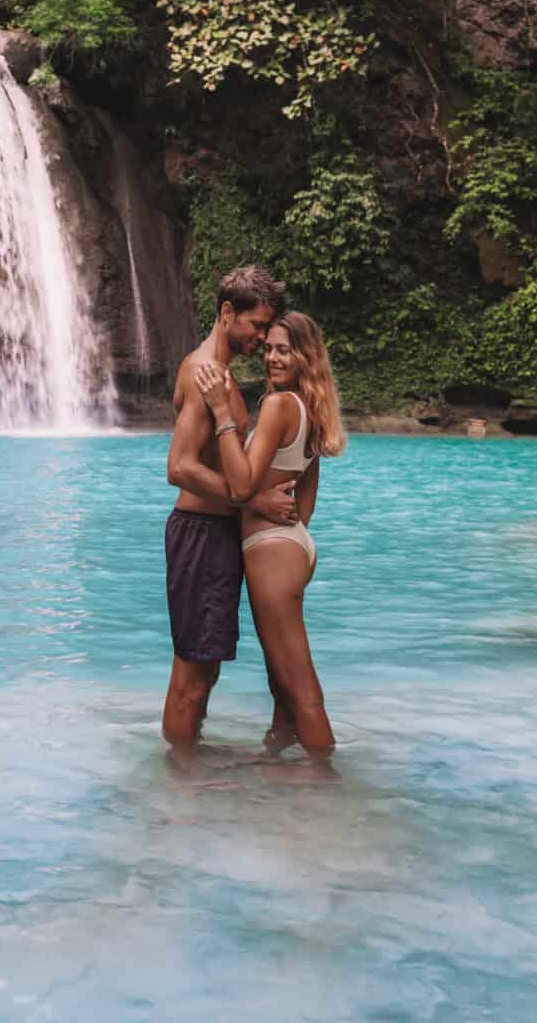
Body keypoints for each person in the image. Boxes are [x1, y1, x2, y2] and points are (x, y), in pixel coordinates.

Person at [194, 311, 346, 774]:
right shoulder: (312, 409)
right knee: (283, 680)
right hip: (293, 546)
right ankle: (279, 752)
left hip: (270, 553)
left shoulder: (280, 406)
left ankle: (326, 781)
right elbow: (307, 504)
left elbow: (240, 485)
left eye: (284, 349)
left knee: (299, 684)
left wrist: (222, 412)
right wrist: (270, 510)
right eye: (269, 348)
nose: (273, 357)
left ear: (305, 356)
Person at [162, 265, 297, 761]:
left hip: (213, 532)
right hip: (200, 533)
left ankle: (189, 762)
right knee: (192, 677)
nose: (261, 338)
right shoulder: (205, 374)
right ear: (226, 313)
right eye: (256, 326)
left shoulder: (217, 374)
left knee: (205, 669)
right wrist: (254, 500)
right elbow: (179, 467)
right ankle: (179, 780)